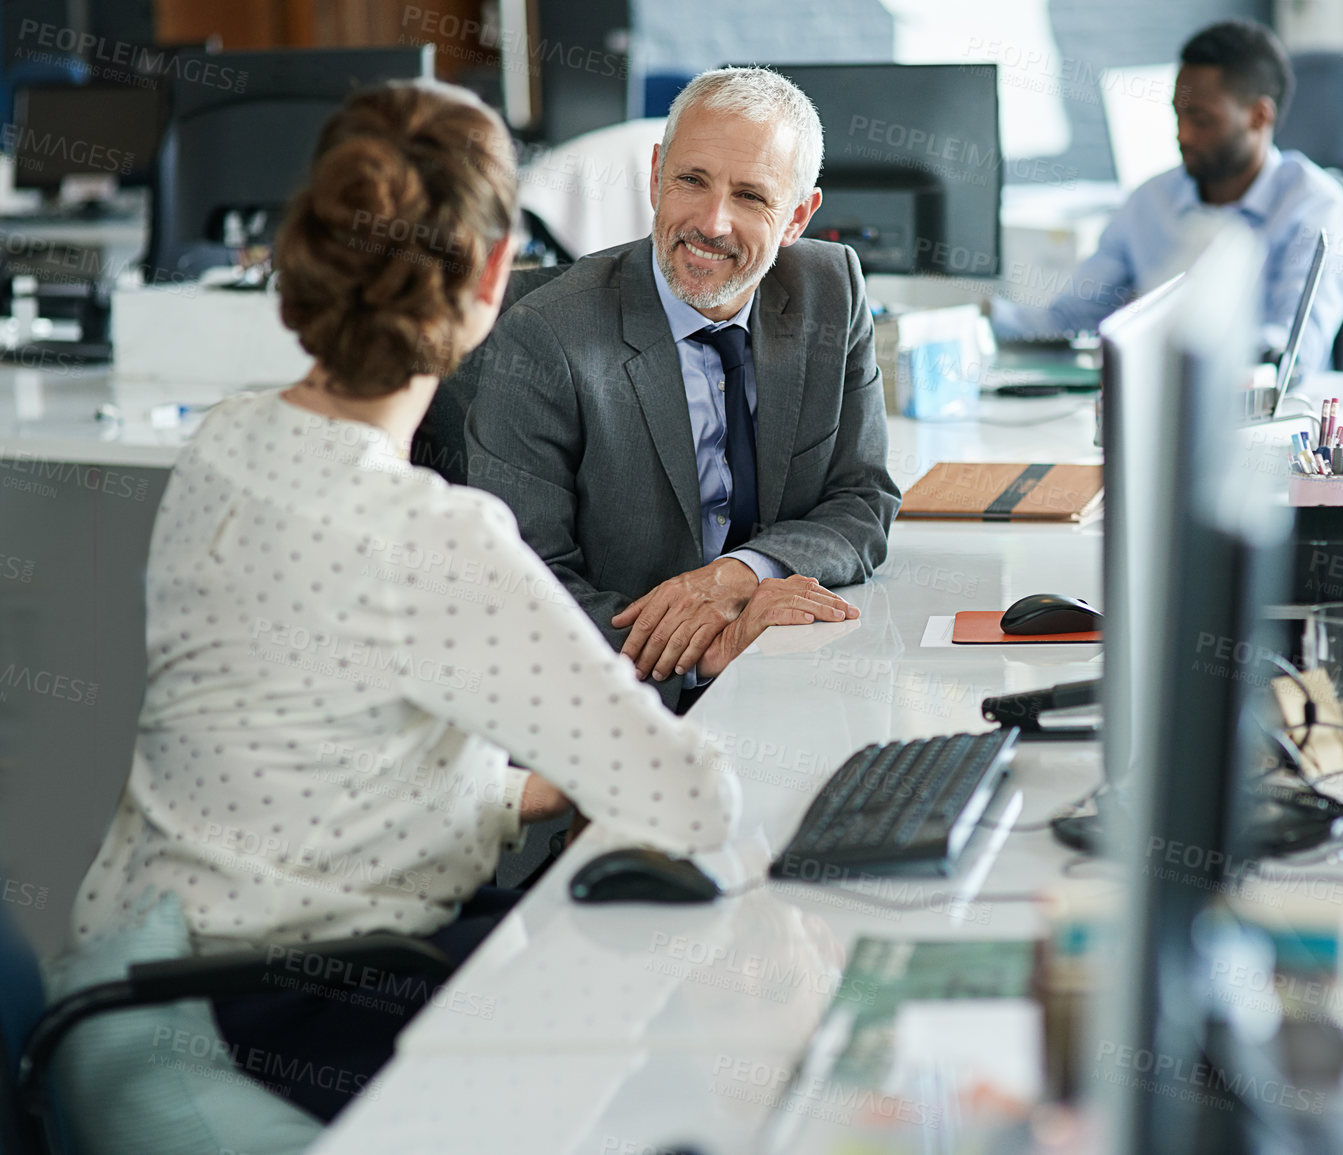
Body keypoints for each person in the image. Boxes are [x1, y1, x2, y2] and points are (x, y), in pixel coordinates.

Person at [69, 80, 850, 1123]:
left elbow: (314, 773)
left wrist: (539, 788)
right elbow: (692, 803)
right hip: (288, 1005)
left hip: (150, 970)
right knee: (682, 996)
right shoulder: (436, 539)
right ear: (492, 279)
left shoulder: (224, 447)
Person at [463, 67, 900, 713]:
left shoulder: (830, 288)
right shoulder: (546, 335)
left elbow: (861, 500)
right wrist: (710, 654)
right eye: (691, 180)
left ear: (797, 216)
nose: (712, 222)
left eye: (751, 196)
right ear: (654, 175)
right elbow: (525, 593)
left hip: (794, 677)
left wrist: (741, 574)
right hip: (611, 712)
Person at [991, 19, 1343, 378]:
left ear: (1258, 116)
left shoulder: (1315, 206)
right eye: (1177, 113)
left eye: (1201, 119)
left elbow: (1293, 348)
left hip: (1274, 419)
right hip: (1156, 412)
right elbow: (1067, 319)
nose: (1183, 134)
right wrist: (977, 317)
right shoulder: (1149, 202)